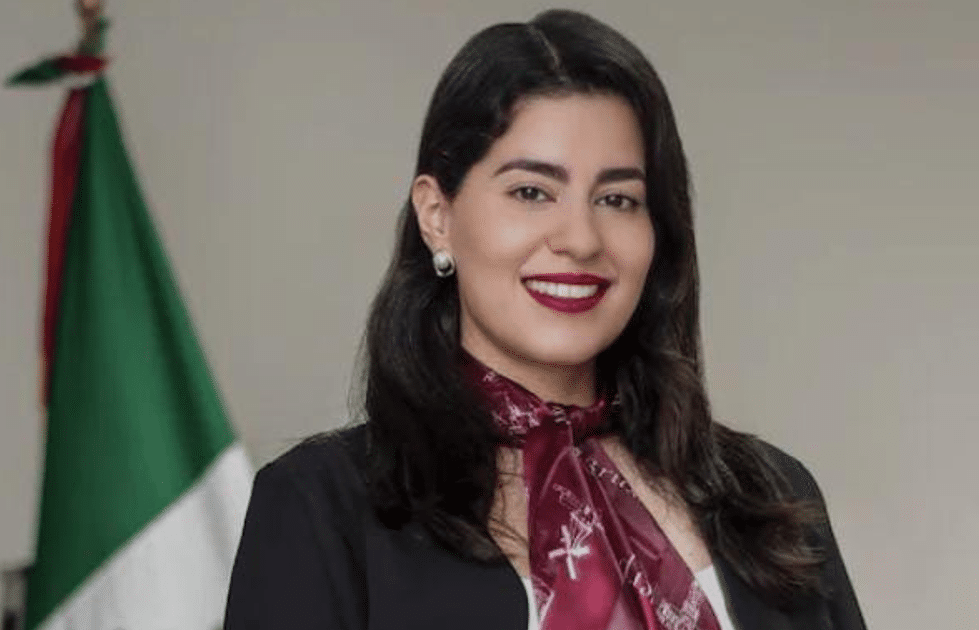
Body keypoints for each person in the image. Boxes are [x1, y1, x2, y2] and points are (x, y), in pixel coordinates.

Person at [223, 9, 866, 630]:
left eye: (617, 199)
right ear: (436, 215)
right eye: (531, 192)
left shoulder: (770, 495)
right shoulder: (323, 507)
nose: (580, 239)